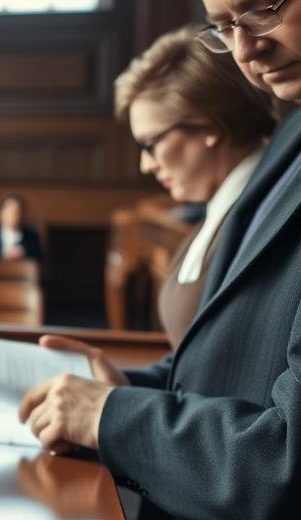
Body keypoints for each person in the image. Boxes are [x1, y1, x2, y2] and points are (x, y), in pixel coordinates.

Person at [17, 0, 301, 520]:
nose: (245, 45)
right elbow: (238, 367)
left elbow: (287, 465)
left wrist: (114, 414)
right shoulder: (291, 140)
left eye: (266, 6)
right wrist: (126, 392)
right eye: (223, 25)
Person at [113, 26, 275, 348]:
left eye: (150, 144)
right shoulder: (221, 205)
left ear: (209, 127)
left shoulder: (268, 216)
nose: (146, 165)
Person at [0, 195, 44, 264]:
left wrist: (23, 253)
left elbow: (40, 259)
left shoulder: (31, 236)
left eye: (16, 212)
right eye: (8, 211)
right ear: (1, 213)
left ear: (22, 215)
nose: (11, 215)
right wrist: (2, 255)